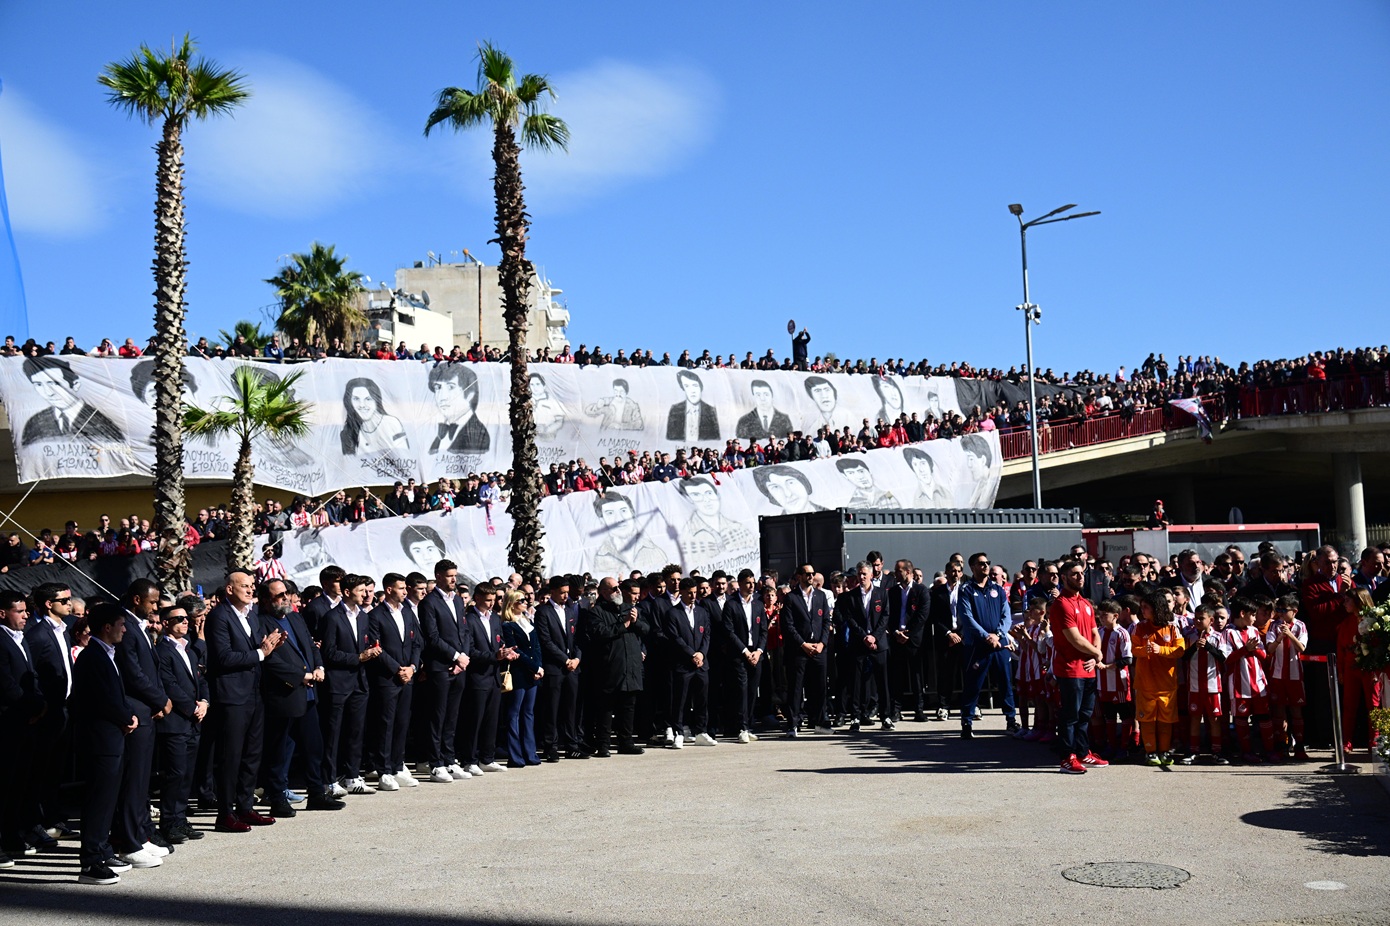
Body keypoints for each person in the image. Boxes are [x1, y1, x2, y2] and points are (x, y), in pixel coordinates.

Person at [206, 571, 284, 832]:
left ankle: (246, 806)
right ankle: (225, 813)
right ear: (229, 589)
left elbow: (257, 651)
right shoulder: (219, 617)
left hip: (254, 693)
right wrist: (260, 652)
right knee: (231, 756)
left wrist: (269, 646)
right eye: (245, 586)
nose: (251, 590)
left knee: (252, 754)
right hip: (231, 696)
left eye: (253, 586)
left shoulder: (250, 615)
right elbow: (224, 658)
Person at [260, 579, 340, 815]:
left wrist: (319, 667)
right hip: (283, 695)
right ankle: (277, 797)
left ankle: (316, 793)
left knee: (313, 746)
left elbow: (311, 646)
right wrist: (300, 675)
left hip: (307, 694)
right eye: (279, 595)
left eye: (286, 593)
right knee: (279, 750)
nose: (285, 598)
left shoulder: (295, 617)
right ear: (266, 600)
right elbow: (270, 661)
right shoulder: (260, 622)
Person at [70, 604, 137, 884]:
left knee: (108, 798)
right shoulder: (91, 657)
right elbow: (102, 699)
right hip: (100, 740)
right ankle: (90, 862)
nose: (124, 629)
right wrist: (127, 717)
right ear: (106, 627)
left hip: (112, 738)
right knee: (98, 800)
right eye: (121, 624)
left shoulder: (107, 654)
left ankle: (103, 849)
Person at [112, 580, 172, 864]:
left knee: (141, 781)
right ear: (137, 599)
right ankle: (128, 842)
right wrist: (161, 699)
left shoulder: (140, 627)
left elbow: (152, 668)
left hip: (148, 710)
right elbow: (134, 674)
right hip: (136, 710)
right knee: (132, 780)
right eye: (152, 602)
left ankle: (140, 834)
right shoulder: (126, 626)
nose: (155, 607)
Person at [23, 583, 75, 844]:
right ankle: (34, 823)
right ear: (48, 604)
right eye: (64, 600)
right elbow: (28, 672)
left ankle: (53, 818)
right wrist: (38, 705)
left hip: (64, 709)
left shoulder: (63, 630)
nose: (70, 603)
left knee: (57, 769)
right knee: (39, 770)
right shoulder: (37, 634)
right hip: (46, 712)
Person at [317, 574, 378, 796]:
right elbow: (329, 652)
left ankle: (352, 776)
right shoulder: (332, 617)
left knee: (355, 732)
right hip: (338, 683)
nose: (365, 594)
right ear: (346, 592)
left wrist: (368, 654)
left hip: (359, 683)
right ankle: (329, 780)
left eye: (366, 590)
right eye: (361, 590)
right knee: (333, 733)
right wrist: (359, 657)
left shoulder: (363, 617)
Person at [152, 605, 207, 844]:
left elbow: (200, 678)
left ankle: (181, 819)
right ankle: (169, 822)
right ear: (166, 623)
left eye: (187, 619)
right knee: (174, 774)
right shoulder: (162, 651)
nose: (186, 622)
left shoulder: (189, 650)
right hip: (175, 722)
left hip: (194, 721)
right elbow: (169, 684)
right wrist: (192, 707)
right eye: (179, 619)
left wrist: (205, 701)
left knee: (186, 774)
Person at [366, 573, 423, 789]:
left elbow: (417, 642)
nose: (405, 592)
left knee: (402, 723)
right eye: (401, 588)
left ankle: (398, 766)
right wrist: (397, 669)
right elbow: (376, 646)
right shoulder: (376, 615)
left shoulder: (407, 612)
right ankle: (383, 770)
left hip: (407, 676)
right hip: (387, 678)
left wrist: (412, 668)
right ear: (389, 590)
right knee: (385, 724)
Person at [1049, 559, 1105, 772]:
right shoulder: (1061, 604)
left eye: (1081, 573)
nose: (1080, 577)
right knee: (1070, 715)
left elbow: (1093, 633)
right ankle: (1066, 757)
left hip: (1088, 668)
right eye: (1074, 574)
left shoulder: (1086, 604)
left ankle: (1083, 752)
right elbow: (1074, 639)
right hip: (1070, 669)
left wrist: (1095, 656)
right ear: (1064, 578)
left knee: (1085, 715)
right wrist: (1097, 653)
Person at [956, 553, 1017, 739]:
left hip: (999, 644)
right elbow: (967, 617)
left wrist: (998, 635)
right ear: (972, 567)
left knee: (1005, 682)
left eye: (987, 563)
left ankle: (1011, 720)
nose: (985, 567)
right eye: (981, 564)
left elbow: (1006, 615)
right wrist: (985, 636)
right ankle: (967, 722)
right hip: (978, 645)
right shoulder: (966, 589)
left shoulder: (997, 589)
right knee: (973, 684)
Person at [459, 583, 515, 776]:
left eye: (494, 600)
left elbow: (499, 642)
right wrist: (494, 656)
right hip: (477, 677)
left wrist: (506, 652)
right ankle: (470, 759)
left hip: (493, 677)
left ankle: (487, 757)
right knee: (474, 720)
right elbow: (471, 651)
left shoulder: (494, 619)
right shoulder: (469, 620)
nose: (492, 604)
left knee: (492, 719)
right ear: (478, 598)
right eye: (488, 600)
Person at [588, 577, 648, 756]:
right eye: (614, 589)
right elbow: (600, 633)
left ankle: (626, 742)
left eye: (619, 588)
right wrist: (623, 625)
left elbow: (646, 630)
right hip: (611, 667)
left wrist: (636, 622)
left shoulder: (629, 608)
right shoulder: (596, 612)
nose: (618, 592)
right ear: (604, 592)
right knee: (607, 708)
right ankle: (604, 744)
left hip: (631, 666)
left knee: (628, 706)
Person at [19, 355, 124, 446]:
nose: (48, 392)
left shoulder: (102, 422)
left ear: (75, 384)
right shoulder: (34, 423)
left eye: (54, 383)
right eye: (38, 384)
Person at [1132, 590, 1186, 766]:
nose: (1143, 611)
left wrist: (1160, 650)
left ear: (1156, 608)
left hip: (1167, 685)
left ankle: (1163, 751)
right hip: (1146, 684)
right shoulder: (1140, 627)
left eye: (1146, 608)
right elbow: (1133, 649)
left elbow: (1180, 650)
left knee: (1165, 721)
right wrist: (1143, 650)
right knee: (1146, 720)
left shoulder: (1172, 628)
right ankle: (1150, 752)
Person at [838, 561, 893, 733]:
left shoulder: (881, 594)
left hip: (878, 643)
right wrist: (863, 636)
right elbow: (850, 619)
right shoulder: (850, 596)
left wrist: (874, 636)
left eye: (864, 574)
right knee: (855, 682)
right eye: (859, 574)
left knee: (882, 682)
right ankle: (855, 717)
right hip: (858, 644)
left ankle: (886, 717)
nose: (861, 577)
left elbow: (885, 616)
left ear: (871, 575)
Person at [661, 578, 715, 748]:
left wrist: (701, 654)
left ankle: (701, 731)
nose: (693, 596)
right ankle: (678, 732)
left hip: (700, 664)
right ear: (682, 592)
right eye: (689, 593)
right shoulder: (673, 613)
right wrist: (691, 654)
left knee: (702, 699)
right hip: (683, 664)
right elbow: (675, 638)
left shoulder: (701, 611)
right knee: (680, 700)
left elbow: (706, 635)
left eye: (695, 592)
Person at [535, 576, 583, 762]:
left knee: (571, 707)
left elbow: (577, 637)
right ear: (552, 592)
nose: (565, 595)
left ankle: (572, 745)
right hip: (555, 667)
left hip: (572, 667)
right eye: (562, 592)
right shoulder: (543, 612)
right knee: (552, 708)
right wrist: (565, 660)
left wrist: (577, 658)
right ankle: (550, 746)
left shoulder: (570, 611)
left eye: (566, 592)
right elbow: (545, 641)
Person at [1223, 598, 1276, 763]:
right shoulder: (1228, 632)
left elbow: (1264, 655)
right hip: (1239, 685)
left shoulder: (1253, 631)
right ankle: (1246, 752)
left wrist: (1253, 650)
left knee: (1265, 717)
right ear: (1242, 613)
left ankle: (1269, 750)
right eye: (1252, 614)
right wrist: (1246, 649)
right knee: (1241, 719)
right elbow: (1226, 658)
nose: (1254, 618)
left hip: (1258, 683)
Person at [781, 563, 831, 737]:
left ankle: (819, 722)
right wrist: (803, 644)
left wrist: (822, 643)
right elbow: (788, 625)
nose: (810, 576)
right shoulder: (791, 598)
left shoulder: (821, 596)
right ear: (799, 576)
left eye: (812, 573)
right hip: (799, 650)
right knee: (796, 688)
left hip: (818, 649)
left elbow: (826, 621)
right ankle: (793, 724)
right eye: (807, 574)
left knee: (819, 687)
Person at [719, 568, 767, 743]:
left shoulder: (758, 604)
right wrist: (745, 652)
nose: (751, 586)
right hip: (739, 654)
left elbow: (763, 631)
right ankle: (741, 726)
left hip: (756, 653)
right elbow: (729, 631)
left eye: (753, 583)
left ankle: (749, 724)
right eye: (748, 583)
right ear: (739, 584)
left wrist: (759, 651)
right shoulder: (731, 604)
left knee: (753, 690)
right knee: (741, 689)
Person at [1179, 604, 1228, 765]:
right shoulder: (1190, 636)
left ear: (1211, 620)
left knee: (1214, 719)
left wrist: (1207, 647)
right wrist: (1194, 647)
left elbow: (1223, 657)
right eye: (1196, 618)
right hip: (1194, 686)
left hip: (1212, 686)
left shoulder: (1217, 637)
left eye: (1202, 618)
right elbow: (1183, 657)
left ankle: (1217, 751)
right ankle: (1193, 751)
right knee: (1194, 718)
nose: (1198, 621)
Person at [500, 590, 544, 767]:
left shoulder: (528, 622)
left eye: (526, 600)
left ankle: (530, 753)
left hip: (532, 674)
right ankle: (516, 756)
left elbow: (537, 647)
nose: (525, 602)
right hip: (518, 674)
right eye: (521, 600)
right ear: (512, 604)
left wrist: (539, 667)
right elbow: (515, 650)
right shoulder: (507, 625)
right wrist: (534, 667)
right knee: (514, 714)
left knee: (529, 713)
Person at [1265, 594, 1309, 760]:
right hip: (1277, 675)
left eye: (1284, 610)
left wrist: (1290, 634)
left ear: (1294, 611)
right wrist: (1279, 638)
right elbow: (1269, 649)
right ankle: (1282, 745)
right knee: (1279, 712)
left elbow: (1302, 648)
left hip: (1295, 675)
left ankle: (1299, 745)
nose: (1281, 613)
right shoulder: (1273, 626)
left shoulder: (1300, 626)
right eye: (1279, 610)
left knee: (1296, 711)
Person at [884, 559, 929, 721]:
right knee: (897, 675)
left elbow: (922, 615)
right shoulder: (892, 592)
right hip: (896, 638)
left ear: (908, 572)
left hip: (914, 639)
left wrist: (908, 634)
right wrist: (896, 632)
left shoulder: (921, 591)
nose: (896, 574)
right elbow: (887, 614)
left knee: (917, 676)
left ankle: (919, 709)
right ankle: (896, 709)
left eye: (899, 571)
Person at [929, 560, 966, 720]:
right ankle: (944, 706)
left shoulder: (967, 591)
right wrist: (948, 634)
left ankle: (971, 705)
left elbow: (971, 615)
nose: (955, 574)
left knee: (967, 673)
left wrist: (961, 634)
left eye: (958, 571)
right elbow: (934, 617)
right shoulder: (938, 593)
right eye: (952, 571)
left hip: (964, 637)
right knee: (945, 674)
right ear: (946, 572)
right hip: (946, 638)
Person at [428, 362, 489, 454]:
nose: (442, 397)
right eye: (438, 387)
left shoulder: (479, 435)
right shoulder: (440, 433)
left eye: (450, 387)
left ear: (470, 394)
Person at [340, 378, 409, 455]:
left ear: (376, 400)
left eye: (368, 399)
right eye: (356, 399)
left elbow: (404, 457)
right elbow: (349, 463)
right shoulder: (347, 433)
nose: (362, 405)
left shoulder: (391, 423)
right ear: (349, 401)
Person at [666, 370, 720, 442]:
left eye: (695, 385)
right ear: (683, 388)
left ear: (701, 387)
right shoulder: (675, 410)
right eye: (687, 386)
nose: (692, 390)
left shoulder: (710, 410)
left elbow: (714, 439)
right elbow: (671, 438)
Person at [752, 464, 826, 515]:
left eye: (790, 482)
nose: (788, 494)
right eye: (775, 487)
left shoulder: (833, 516)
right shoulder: (776, 532)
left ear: (804, 483)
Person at [836, 457, 900, 509]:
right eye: (851, 473)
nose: (860, 477)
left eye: (861, 471)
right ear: (846, 477)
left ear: (869, 471)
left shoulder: (887, 494)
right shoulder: (853, 502)